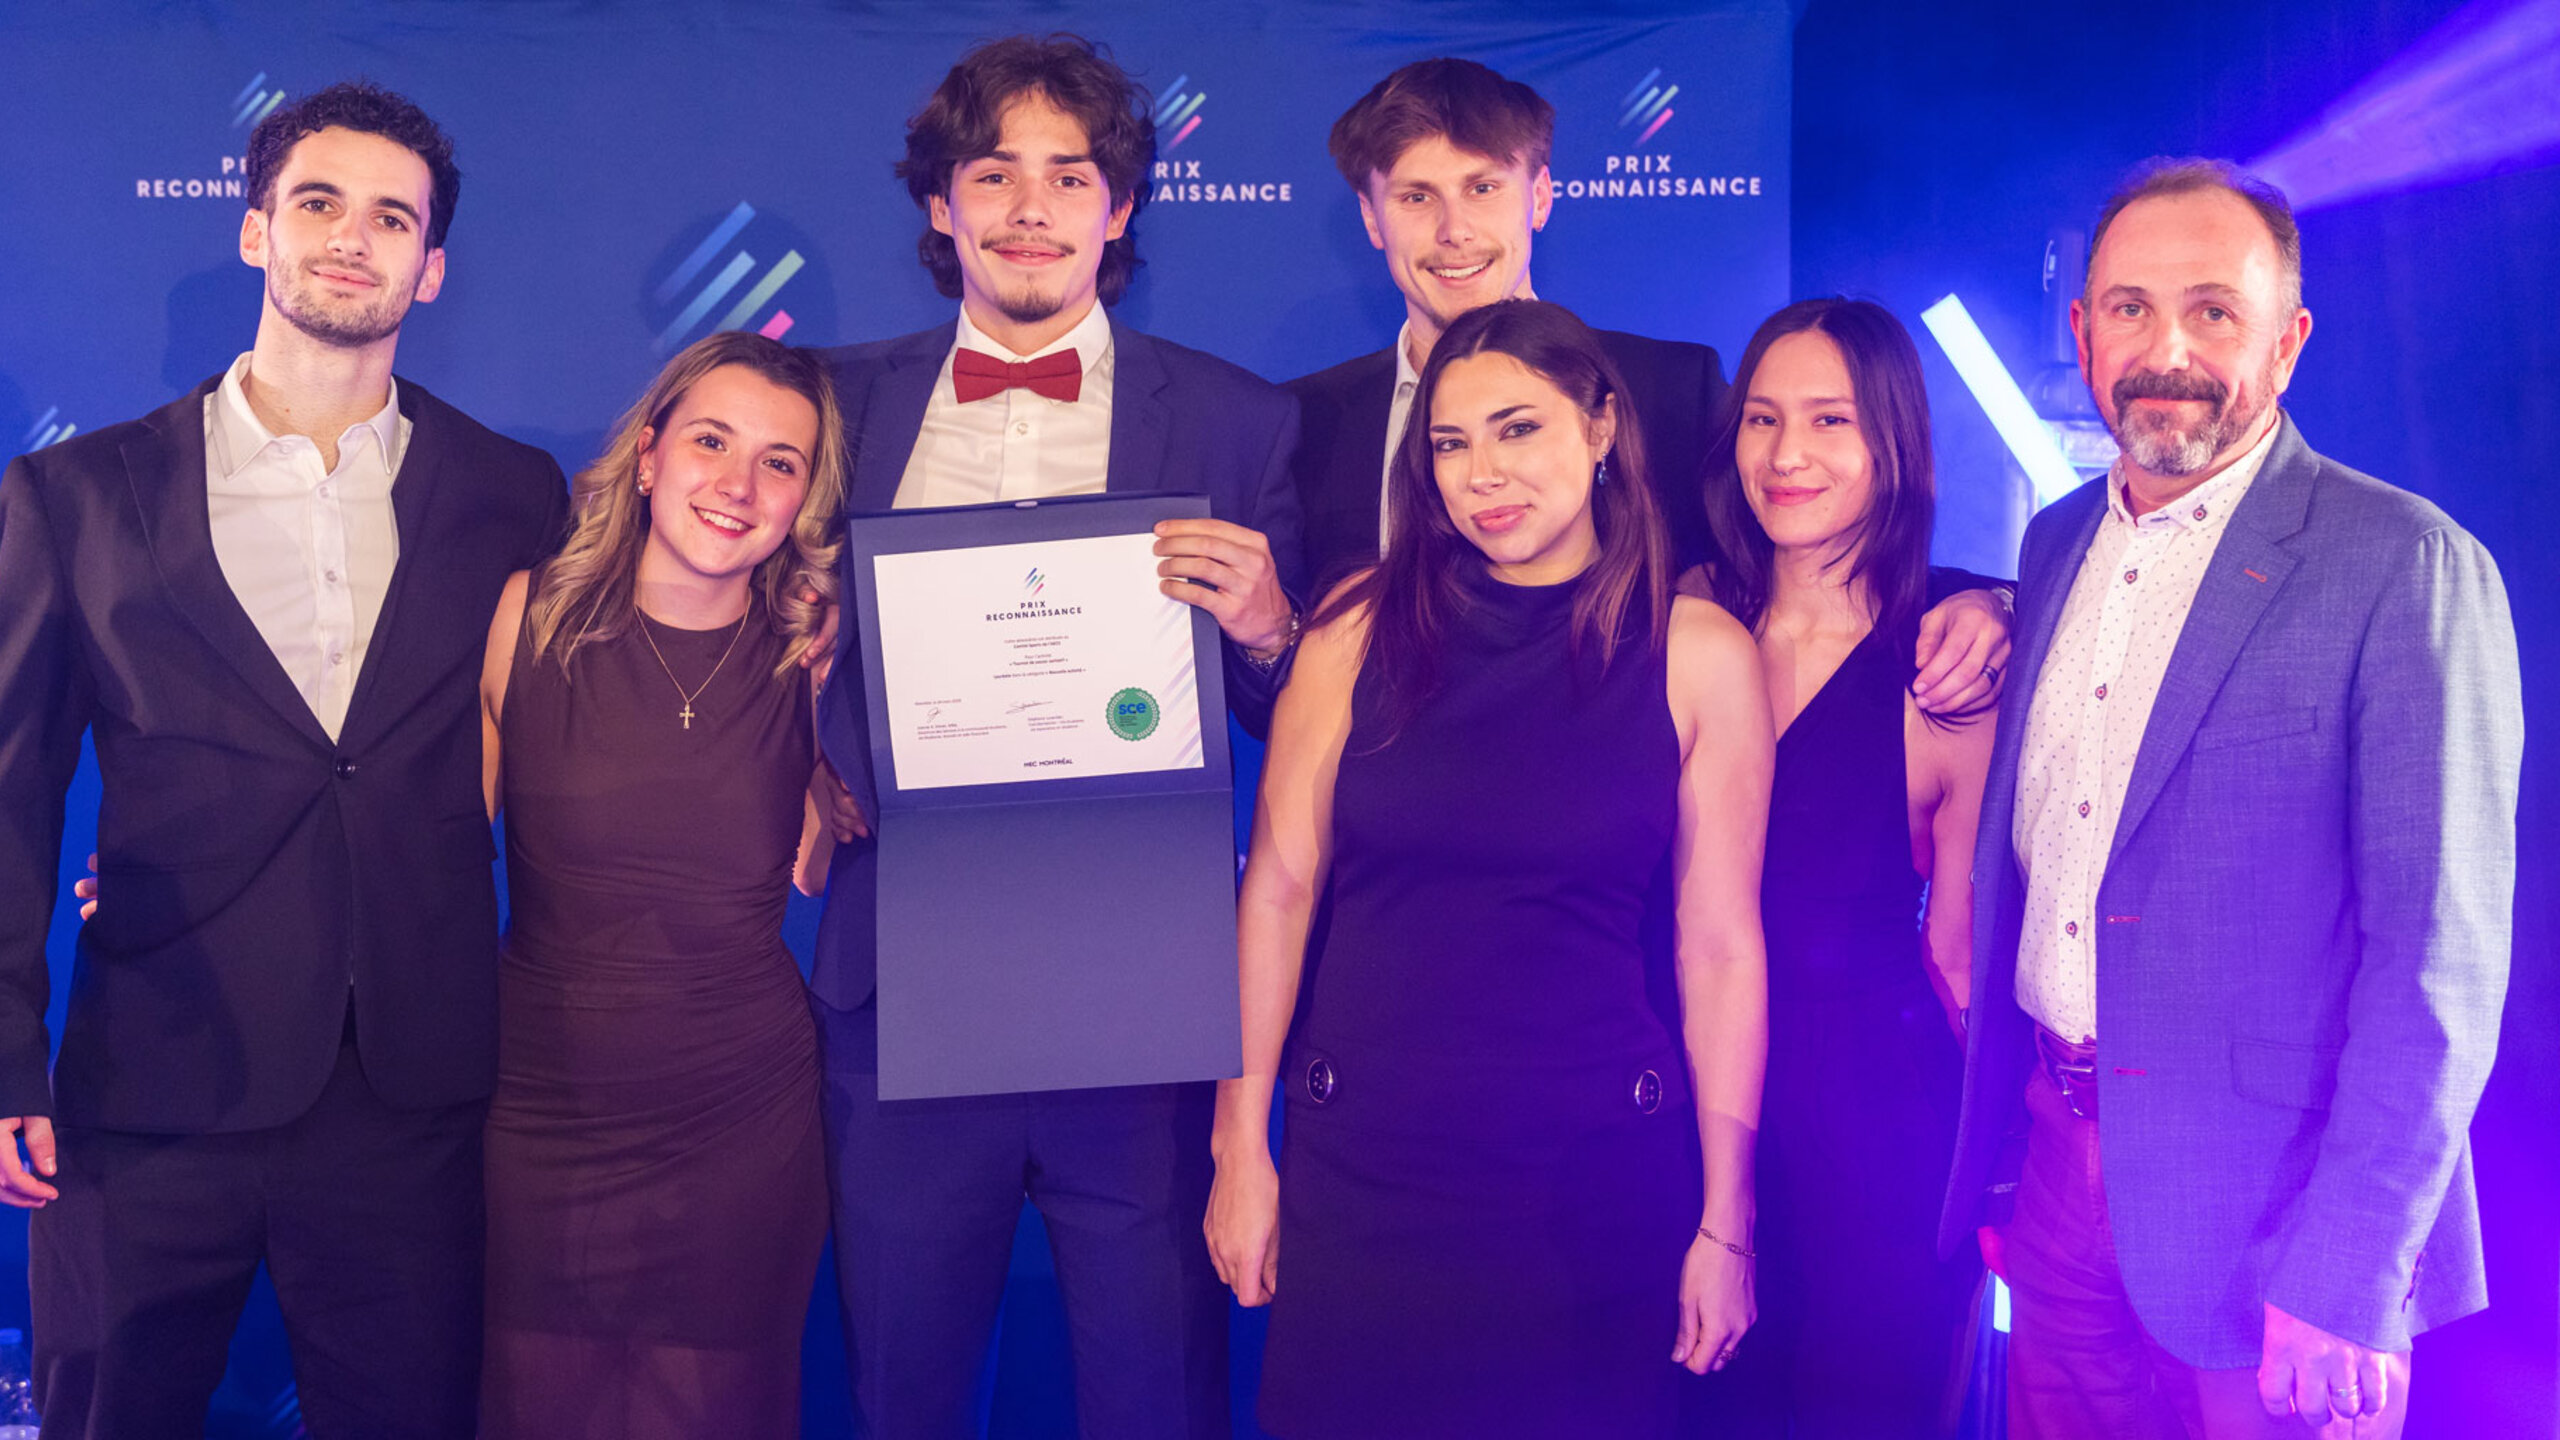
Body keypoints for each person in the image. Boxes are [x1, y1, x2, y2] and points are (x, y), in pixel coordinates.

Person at [0, 83, 566, 1436]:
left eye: (390, 217)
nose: (349, 239)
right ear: (255, 229)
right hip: (148, 1086)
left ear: (430, 271)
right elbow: (11, 794)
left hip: (409, 1094)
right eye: (317, 202)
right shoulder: (76, 496)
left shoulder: (510, 492)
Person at [1941, 158, 2520, 1440]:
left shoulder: (2404, 564)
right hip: (2054, 1180)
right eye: (2130, 309)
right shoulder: (2053, 547)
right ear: (2082, 333)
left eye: (2213, 310)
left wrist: (2353, 1269)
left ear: (2287, 339)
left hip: (2279, 1232)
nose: (2167, 349)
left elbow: (2441, 966)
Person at [807, 34, 1303, 1439]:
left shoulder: (1231, 417)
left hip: (1137, 997)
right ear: (939, 206)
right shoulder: (833, 405)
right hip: (900, 986)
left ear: (1120, 206)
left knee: (1159, 1395)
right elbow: (755, 636)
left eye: (1068, 175)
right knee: (905, 1392)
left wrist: (1268, 624)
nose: (1031, 207)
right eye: (994, 173)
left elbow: (1300, 712)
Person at [1207, 298, 1772, 1438]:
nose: (1482, 474)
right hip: (1364, 1167)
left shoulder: (1698, 652)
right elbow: (1275, 888)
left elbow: (1717, 948)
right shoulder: (1355, 628)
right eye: (1451, 445)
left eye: (1517, 429)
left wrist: (1726, 1218)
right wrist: (1238, 1146)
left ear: (1601, 426)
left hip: (1590, 1178)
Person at [1288, 57, 2009, 713]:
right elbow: (1281, 695)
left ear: (1538, 196)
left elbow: (1814, 559)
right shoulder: (1307, 422)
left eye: (1482, 188)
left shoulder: (1669, 393)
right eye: (1416, 197)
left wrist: (1994, 601)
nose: (1454, 230)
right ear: (1370, 217)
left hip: (1628, 833)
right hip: (1380, 834)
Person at [474, 331, 844, 1436]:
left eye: (780, 462)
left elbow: (844, 857)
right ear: (647, 455)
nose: (737, 485)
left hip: (741, 1119)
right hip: (539, 1103)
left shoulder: (816, 657)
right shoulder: (522, 618)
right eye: (711, 442)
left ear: (803, 500)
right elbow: (413, 852)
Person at [1697, 299, 1992, 1437]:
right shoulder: (1681, 619)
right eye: (1762, 419)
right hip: (1673, 1116)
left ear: (1893, 444)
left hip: (1872, 1141)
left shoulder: (1948, 670)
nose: (1786, 455)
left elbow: (1959, 963)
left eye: (1830, 420)